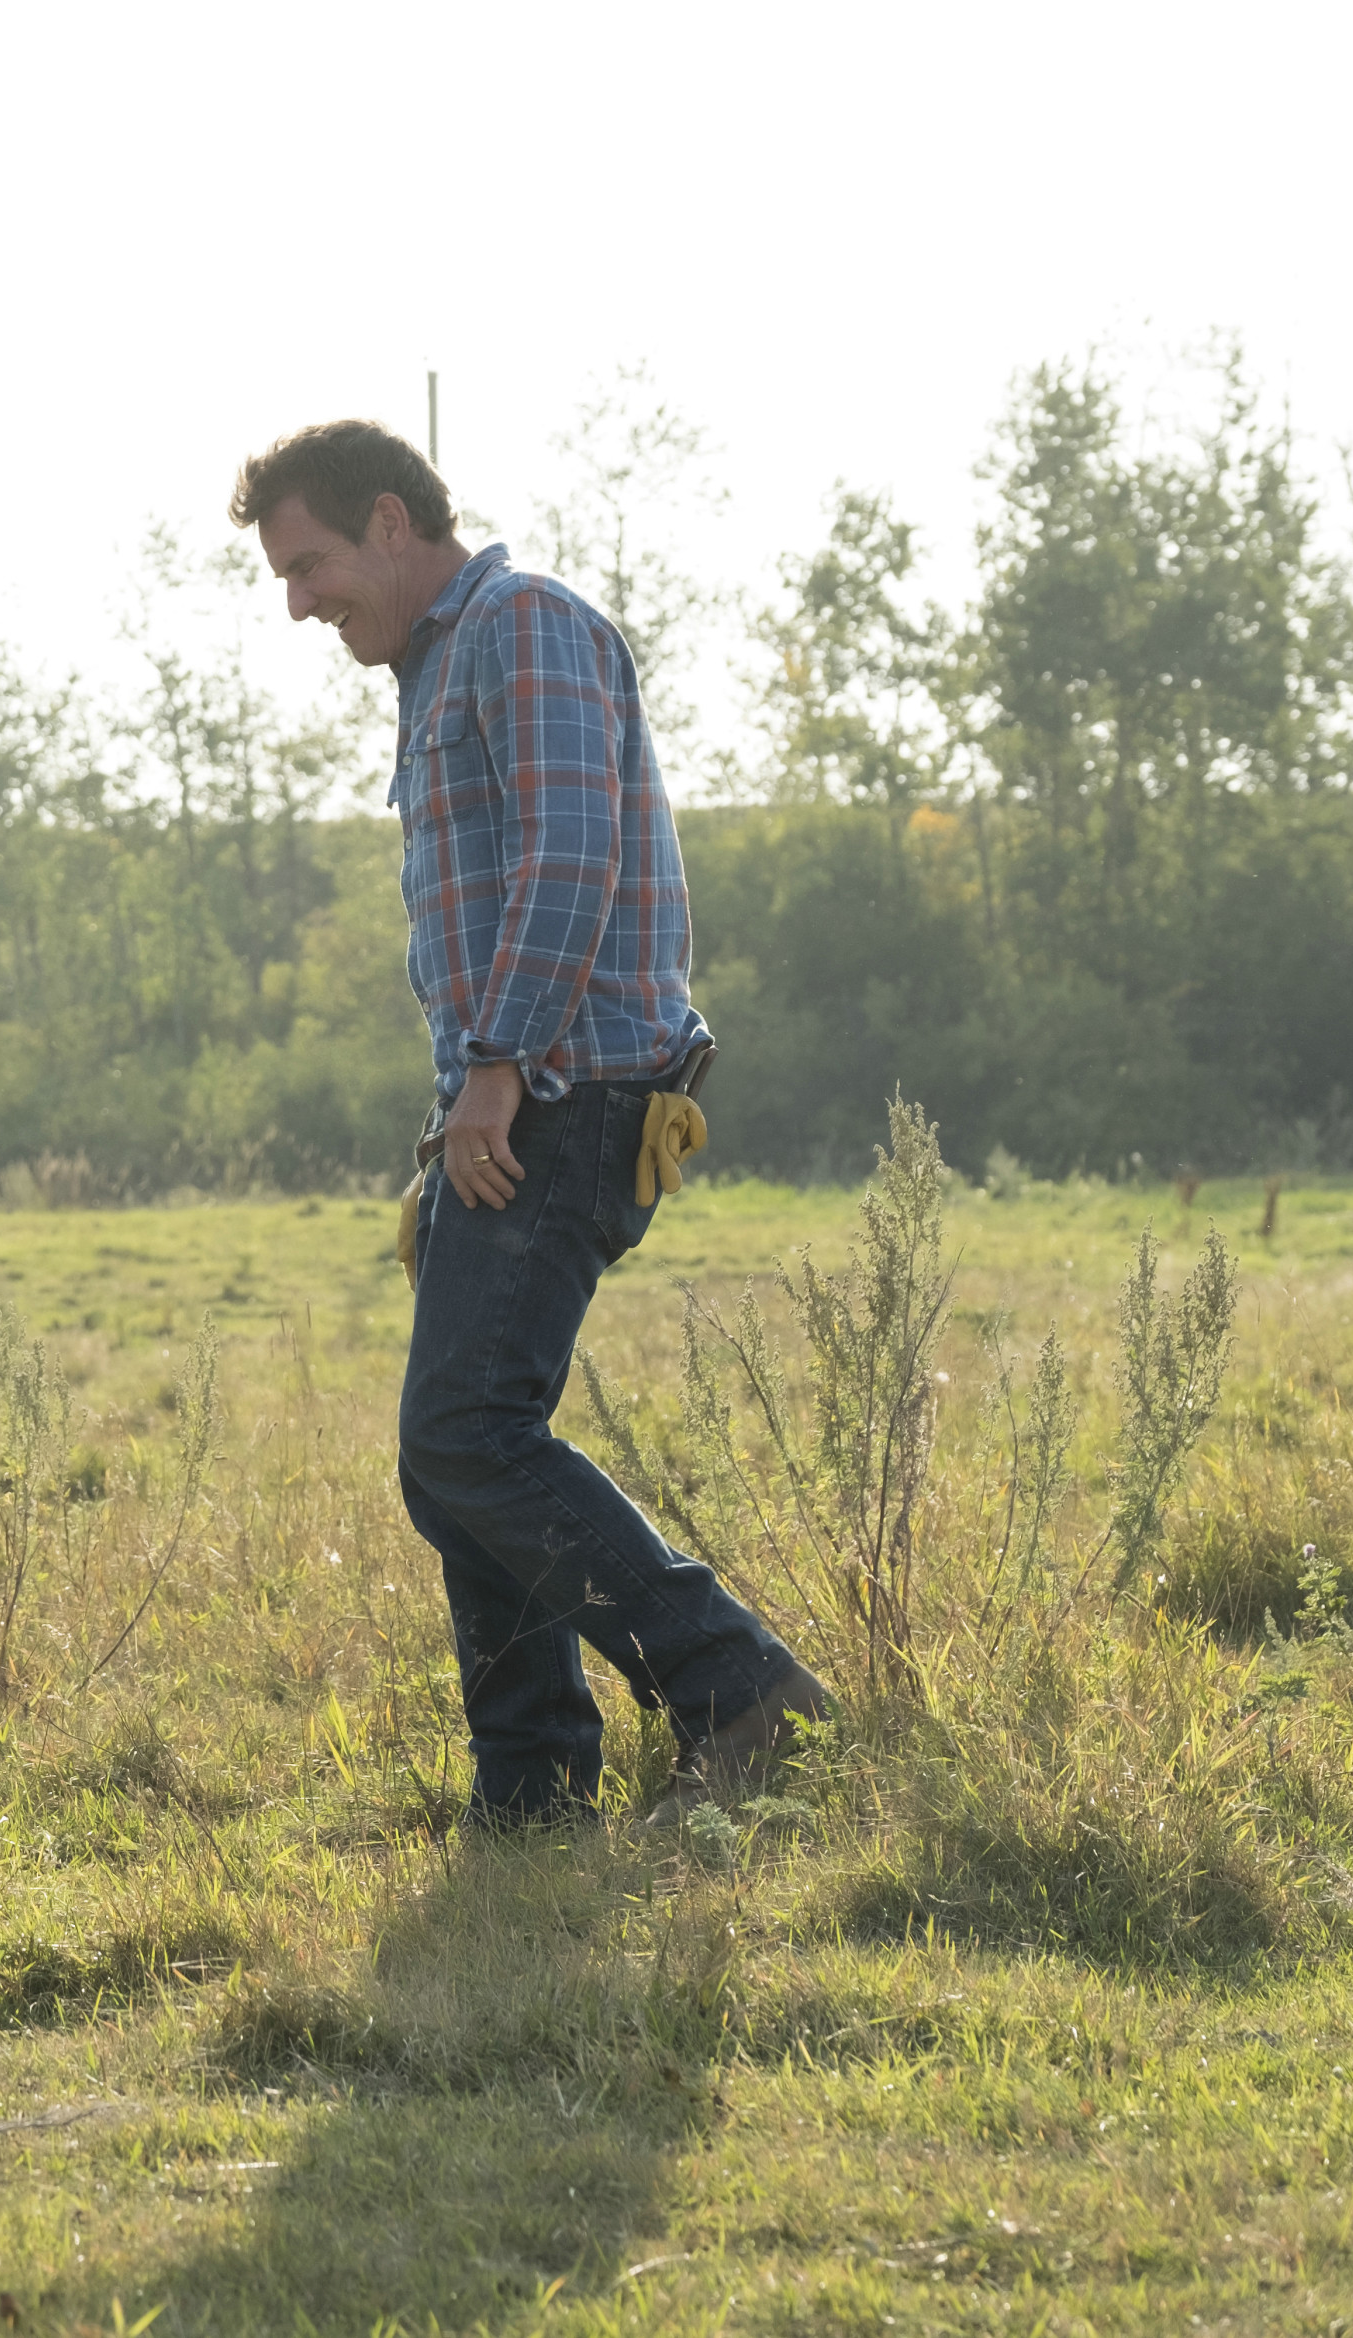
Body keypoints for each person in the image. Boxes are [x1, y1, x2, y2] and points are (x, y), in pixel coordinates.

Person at [230, 418, 824, 1829]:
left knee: (467, 1437)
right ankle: (532, 1786)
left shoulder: (526, 625)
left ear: (389, 520)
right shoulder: (441, 662)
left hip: (569, 1095)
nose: (299, 601)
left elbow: (572, 853)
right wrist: (461, 1103)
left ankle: (741, 1696)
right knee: (464, 1451)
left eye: (308, 564)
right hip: (503, 1104)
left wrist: (496, 1064)